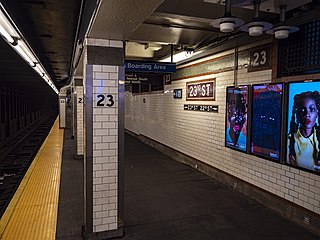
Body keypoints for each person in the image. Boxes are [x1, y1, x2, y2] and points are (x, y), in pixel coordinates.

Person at [287, 91, 320, 171]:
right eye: (302, 110)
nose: (307, 114)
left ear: (317, 113)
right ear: (297, 113)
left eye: (311, 109)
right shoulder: (289, 141)